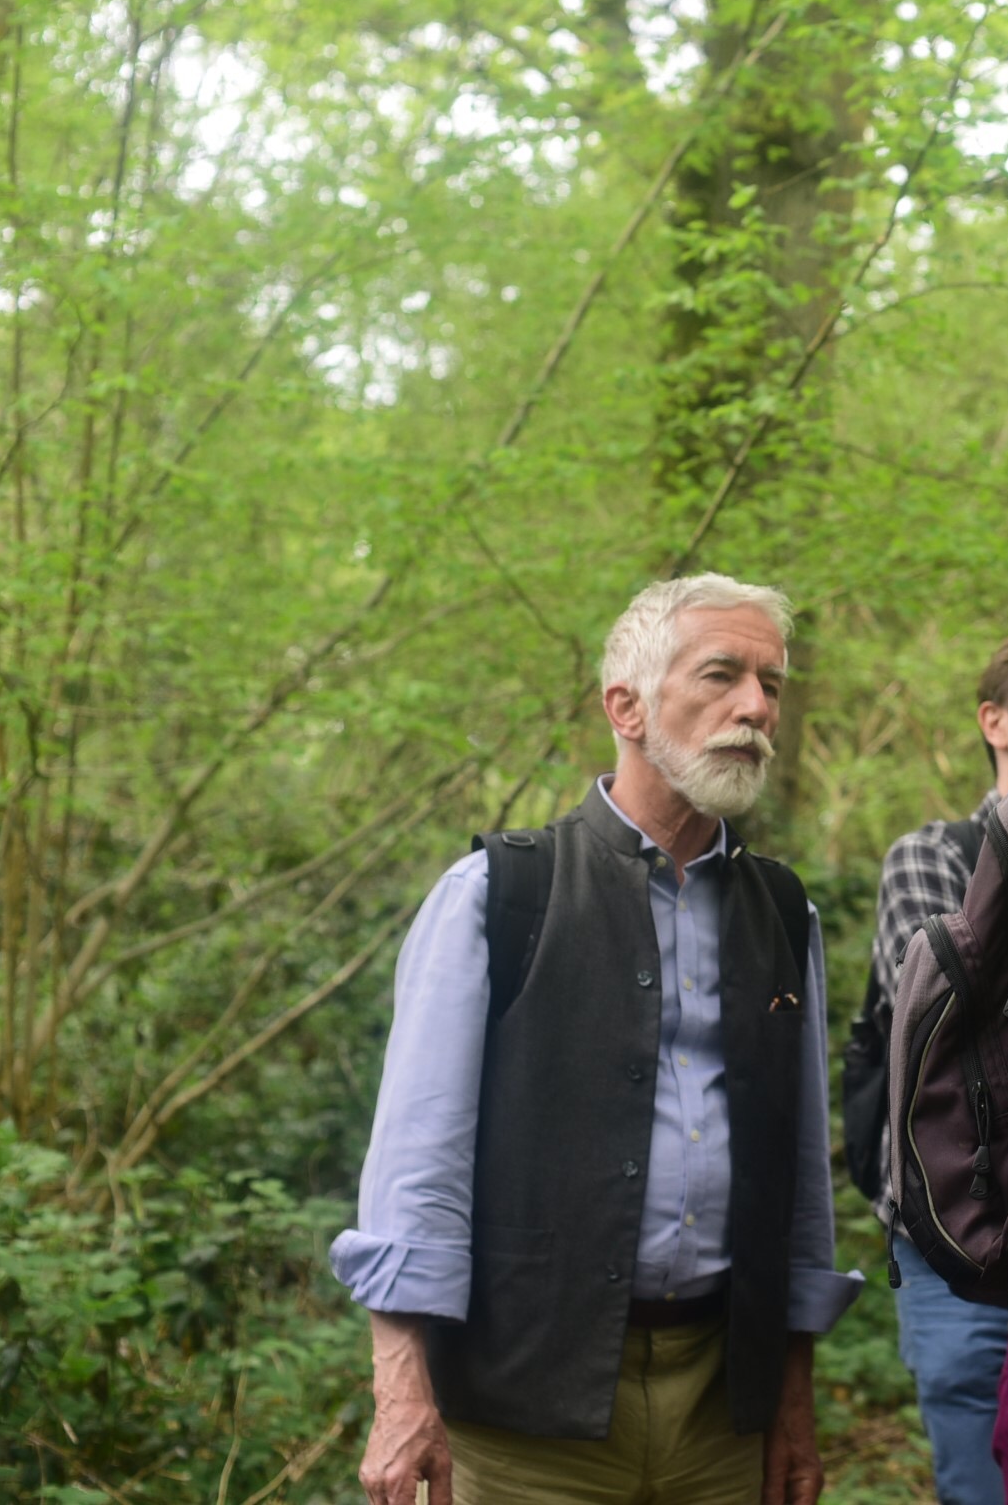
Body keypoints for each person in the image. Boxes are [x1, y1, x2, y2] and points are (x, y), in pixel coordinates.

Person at [335, 575, 862, 1505]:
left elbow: (799, 1192)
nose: (756, 708)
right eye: (722, 676)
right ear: (626, 707)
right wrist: (401, 1393)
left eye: (772, 684)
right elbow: (418, 1171)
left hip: (723, 1415)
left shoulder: (785, 912)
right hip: (523, 1413)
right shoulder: (497, 896)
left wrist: (791, 1405)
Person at [869, 630, 1008, 1505]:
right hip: (959, 1229)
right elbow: (953, 1030)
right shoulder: (928, 857)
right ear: (995, 721)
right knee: (981, 1480)